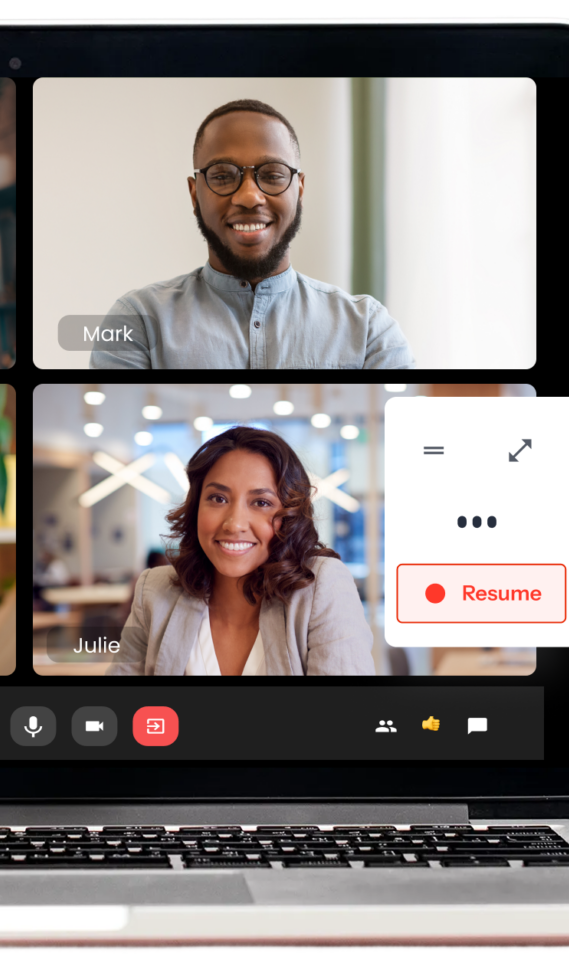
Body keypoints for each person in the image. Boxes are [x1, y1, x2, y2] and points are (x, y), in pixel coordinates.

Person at [91, 99, 414, 370]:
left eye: (272, 175)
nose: (249, 197)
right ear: (194, 194)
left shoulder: (369, 327)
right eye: (222, 176)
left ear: (299, 190)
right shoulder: (136, 320)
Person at [109, 427, 374, 675]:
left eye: (261, 502)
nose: (234, 524)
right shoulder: (154, 592)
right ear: (195, 508)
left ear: (290, 516)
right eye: (218, 498)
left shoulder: (321, 586)